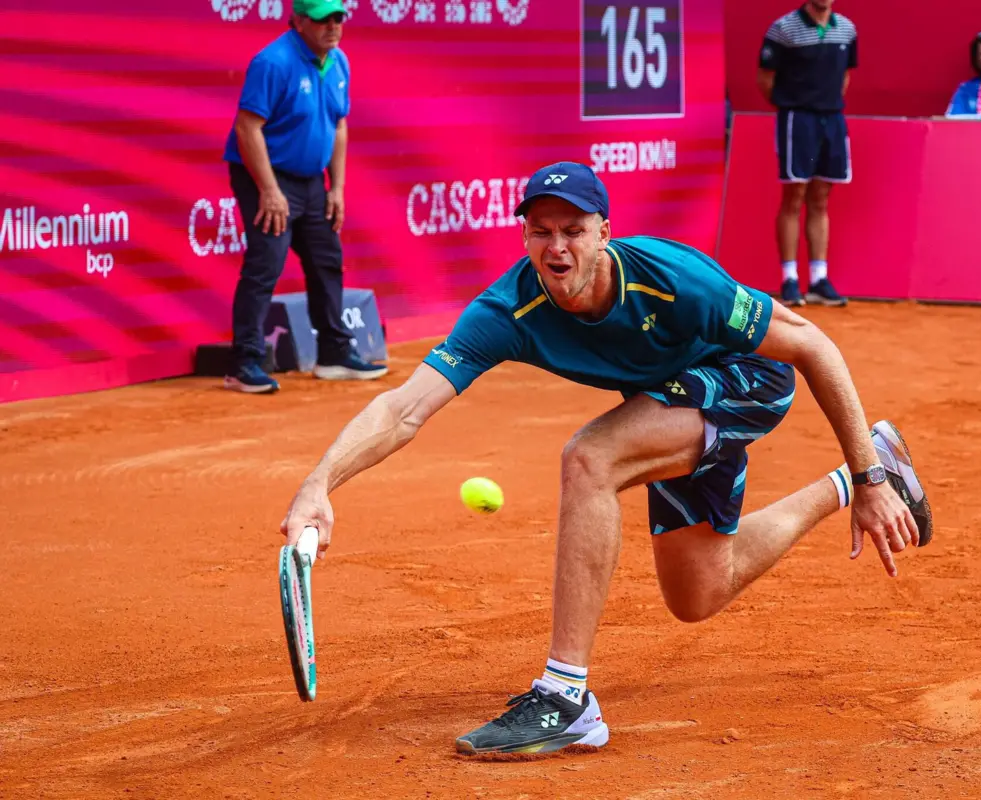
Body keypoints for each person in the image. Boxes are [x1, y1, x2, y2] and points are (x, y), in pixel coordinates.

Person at [279, 161, 934, 756]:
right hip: (670, 400)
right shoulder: (509, 309)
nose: (557, 247)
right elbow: (403, 409)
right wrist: (319, 483)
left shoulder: (674, 281)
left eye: (574, 230)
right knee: (699, 593)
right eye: (541, 231)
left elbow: (813, 345)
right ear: (524, 236)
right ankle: (844, 481)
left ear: (604, 234)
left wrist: (874, 482)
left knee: (591, 457)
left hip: (749, 379)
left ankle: (565, 698)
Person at [223, 0, 387, 394]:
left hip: (313, 180)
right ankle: (244, 363)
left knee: (326, 259)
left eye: (338, 18)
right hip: (265, 175)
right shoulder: (273, 62)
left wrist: (337, 187)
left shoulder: (339, 62)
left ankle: (333, 353)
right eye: (321, 19)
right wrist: (269, 190)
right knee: (266, 263)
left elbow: (339, 125)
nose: (332, 26)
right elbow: (247, 128)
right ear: (298, 21)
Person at [757, 0, 856, 308]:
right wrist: (795, 105)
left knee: (821, 198)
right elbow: (766, 80)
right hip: (797, 120)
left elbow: (844, 77)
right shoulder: (783, 29)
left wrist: (824, 104)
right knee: (794, 195)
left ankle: (818, 279)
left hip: (832, 119)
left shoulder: (847, 29)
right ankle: (789, 279)